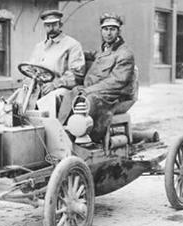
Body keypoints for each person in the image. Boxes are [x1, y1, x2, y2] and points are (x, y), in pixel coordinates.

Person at [79, 13, 136, 143]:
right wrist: (73, 52)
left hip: (114, 96)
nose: (108, 33)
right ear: (101, 31)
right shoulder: (103, 49)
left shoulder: (125, 53)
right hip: (96, 90)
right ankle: (63, 132)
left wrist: (89, 90)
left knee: (88, 100)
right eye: (105, 29)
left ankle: (88, 138)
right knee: (69, 93)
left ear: (119, 31)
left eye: (112, 29)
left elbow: (117, 81)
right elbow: (93, 55)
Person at [26, 9, 85, 124]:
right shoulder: (39, 47)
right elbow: (30, 69)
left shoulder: (72, 45)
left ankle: (52, 132)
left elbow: (77, 73)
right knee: (18, 98)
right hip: (38, 87)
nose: (51, 28)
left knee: (51, 98)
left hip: (62, 88)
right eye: (47, 25)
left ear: (60, 25)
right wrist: (28, 83)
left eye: (54, 24)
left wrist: (55, 84)